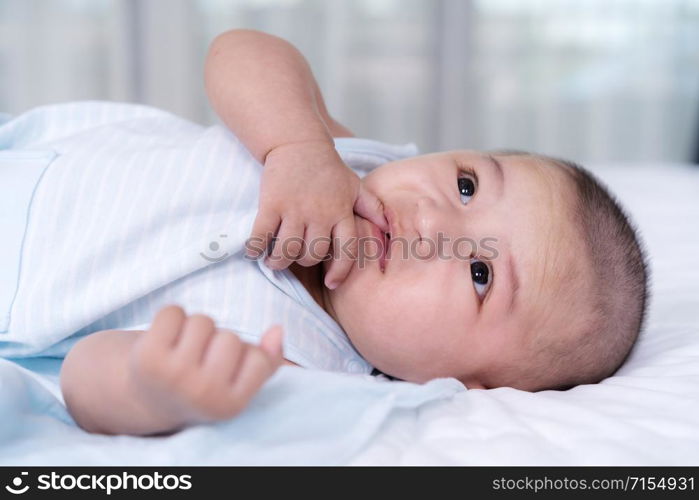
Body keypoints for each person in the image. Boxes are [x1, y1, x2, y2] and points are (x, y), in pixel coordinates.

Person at [0, 30, 648, 436]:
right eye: (467, 185)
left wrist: (152, 385)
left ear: (464, 384)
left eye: (479, 273)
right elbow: (241, 49)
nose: (434, 218)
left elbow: (85, 381)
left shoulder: (297, 363)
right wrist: (297, 145)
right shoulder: (347, 161)